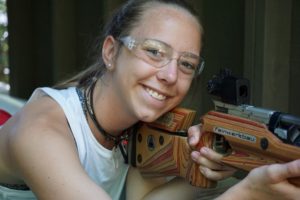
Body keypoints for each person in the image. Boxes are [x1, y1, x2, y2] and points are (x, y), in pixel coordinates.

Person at [0, 0, 299, 200]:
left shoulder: (140, 128)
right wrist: (248, 192)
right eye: (155, 51)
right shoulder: (41, 130)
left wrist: (197, 170)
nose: (170, 75)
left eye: (187, 64)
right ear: (111, 52)